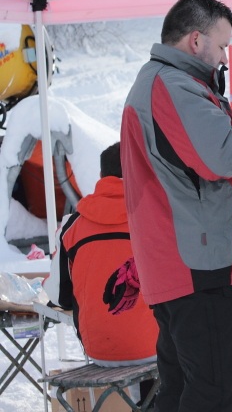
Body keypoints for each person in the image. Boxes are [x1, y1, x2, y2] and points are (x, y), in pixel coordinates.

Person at [120, 0, 232, 412]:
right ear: (196, 40)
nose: (225, 57)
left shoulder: (168, 83)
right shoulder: (171, 85)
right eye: (223, 45)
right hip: (201, 268)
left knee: (187, 391)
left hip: (187, 265)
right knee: (220, 394)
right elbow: (222, 154)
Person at [45, 141, 159, 399]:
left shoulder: (73, 225)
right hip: (156, 347)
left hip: (99, 351)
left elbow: (59, 297)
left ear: (101, 176)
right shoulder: (157, 216)